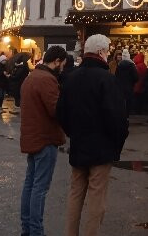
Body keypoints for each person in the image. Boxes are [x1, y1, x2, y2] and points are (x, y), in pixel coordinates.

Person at [58, 34, 128, 236]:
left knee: (75, 193)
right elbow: (116, 117)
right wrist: (117, 142)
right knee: (97, 198)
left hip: (79, 144)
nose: (108, 54)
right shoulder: (107, 79)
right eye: (107, 51)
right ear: (101, 52)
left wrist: (73, 132)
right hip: (101, 147)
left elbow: (61, 112)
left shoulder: (71, 77)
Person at [19, 45, 67, 236]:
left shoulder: (31, 77)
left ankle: (27, 229)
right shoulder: (47, 80)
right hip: (45, 138)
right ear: (56, 62)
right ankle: (36, 232)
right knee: (39, 188)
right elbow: (56, 110)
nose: (63, 68)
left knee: (30, 185)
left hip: (31, 136)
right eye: (62, 64)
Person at [115, 49, 138, 117]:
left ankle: (122, 114)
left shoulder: (119, 65)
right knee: (128, 101)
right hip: (129, 87)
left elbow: (116, 76)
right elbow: (136, 77)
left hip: (121, 87)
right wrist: (132, 83)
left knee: (121, 101)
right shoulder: (132, 65)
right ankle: (127, 114)